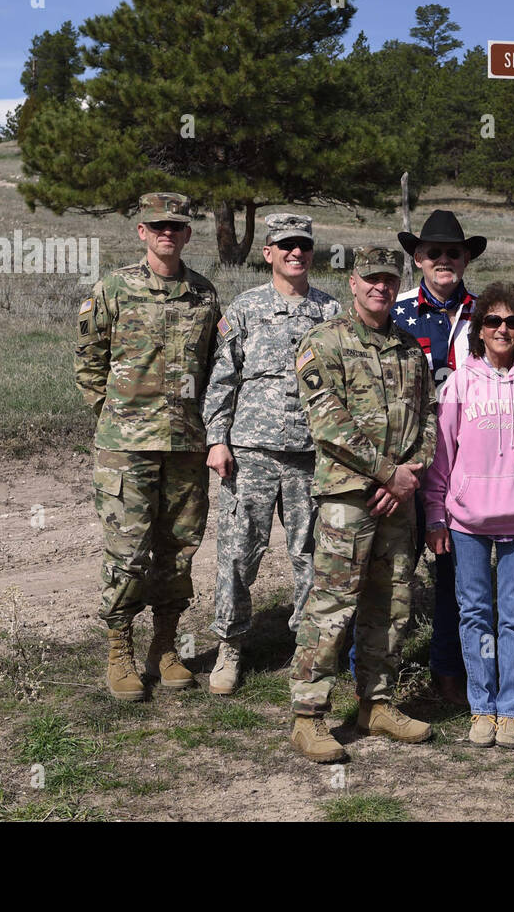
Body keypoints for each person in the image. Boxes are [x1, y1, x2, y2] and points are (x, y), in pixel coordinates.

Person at [287, 246, 437, 763]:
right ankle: (309, 715)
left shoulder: (409, 349)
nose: (380, 287)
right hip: (347, 498)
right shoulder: (324, 341)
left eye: (388, 280)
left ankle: (376, 703)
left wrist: (408, 475)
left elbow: (428, 418)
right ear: (352, 283)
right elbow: (329, 423)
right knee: (333, 605)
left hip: (398, 499)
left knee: (392, 602)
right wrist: (386, 472)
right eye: (370, 278)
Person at [74, 192, 222, 701]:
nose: (167, 233)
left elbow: (215, 367)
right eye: (158, 225)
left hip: (186, 444)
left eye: (176, 226)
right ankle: (120, 648)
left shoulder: (203, 294)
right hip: (126, 447)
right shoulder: (113, 288)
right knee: (127, 551)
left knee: (178, 549)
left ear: (186, 233)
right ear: (141, 230)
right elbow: (88, 360)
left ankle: (165, 644)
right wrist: (111, 417)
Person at [202, 213, 342, 694]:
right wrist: (217, 439)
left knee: (310, 554)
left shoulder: (331, 313)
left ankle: (308, 645)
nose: (295, 252)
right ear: (268, 253)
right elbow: (223, 376)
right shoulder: (244, 308)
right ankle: (230, 645)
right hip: (251, 453)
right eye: (285, 245)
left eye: (303, 244)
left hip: (310, 453)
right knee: (239, 553)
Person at [423, 282, 514, 748]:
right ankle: (481, 706)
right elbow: (442, 456)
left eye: (511, 321)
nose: (502, 329)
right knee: (475, 613)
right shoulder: (459, 383)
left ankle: (511, 709)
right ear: (478, 330)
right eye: (492, 321)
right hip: (467, 522)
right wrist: (436, 515)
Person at [392, 209, 484, 704]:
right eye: (434, 253)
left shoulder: (487, 313)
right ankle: (371, 674)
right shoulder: (398, 311)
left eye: (453, 252)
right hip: (407, 456)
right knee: (389, 567)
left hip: (463, 461)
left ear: (466, 257)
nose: (444, 260)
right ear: (418, 258)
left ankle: (449, 673)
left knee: (454, 573)